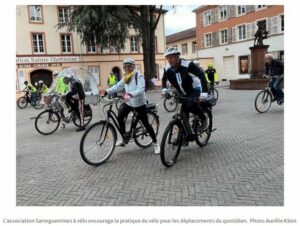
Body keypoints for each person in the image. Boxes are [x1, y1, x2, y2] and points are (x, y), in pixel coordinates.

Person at [100, 58, 160, 154]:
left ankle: (156, 143)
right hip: (129, 102)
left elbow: (141, 90)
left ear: (133, 66)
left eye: (129, 66)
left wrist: (131, 94)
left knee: (146, 124)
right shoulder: (126, 77)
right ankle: (124, 138)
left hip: (139, 103)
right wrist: (107, 91)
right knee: (120, 117)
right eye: (125, 67)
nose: (126, 68)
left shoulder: (138, 76)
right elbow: (118, 86)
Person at [161, 47, 209, 141]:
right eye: (168, 58)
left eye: (171, 57)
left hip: (194, 89)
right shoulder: (167, 68)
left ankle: (203, 118)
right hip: (182, 92)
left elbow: (201, 75)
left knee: (191, 105)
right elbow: (164, 79)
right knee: (183, 113)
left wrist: (204, 93)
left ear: (177, 57)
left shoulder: (188, 65)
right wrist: (164, 90)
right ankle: (187, 135)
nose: (169, 60)